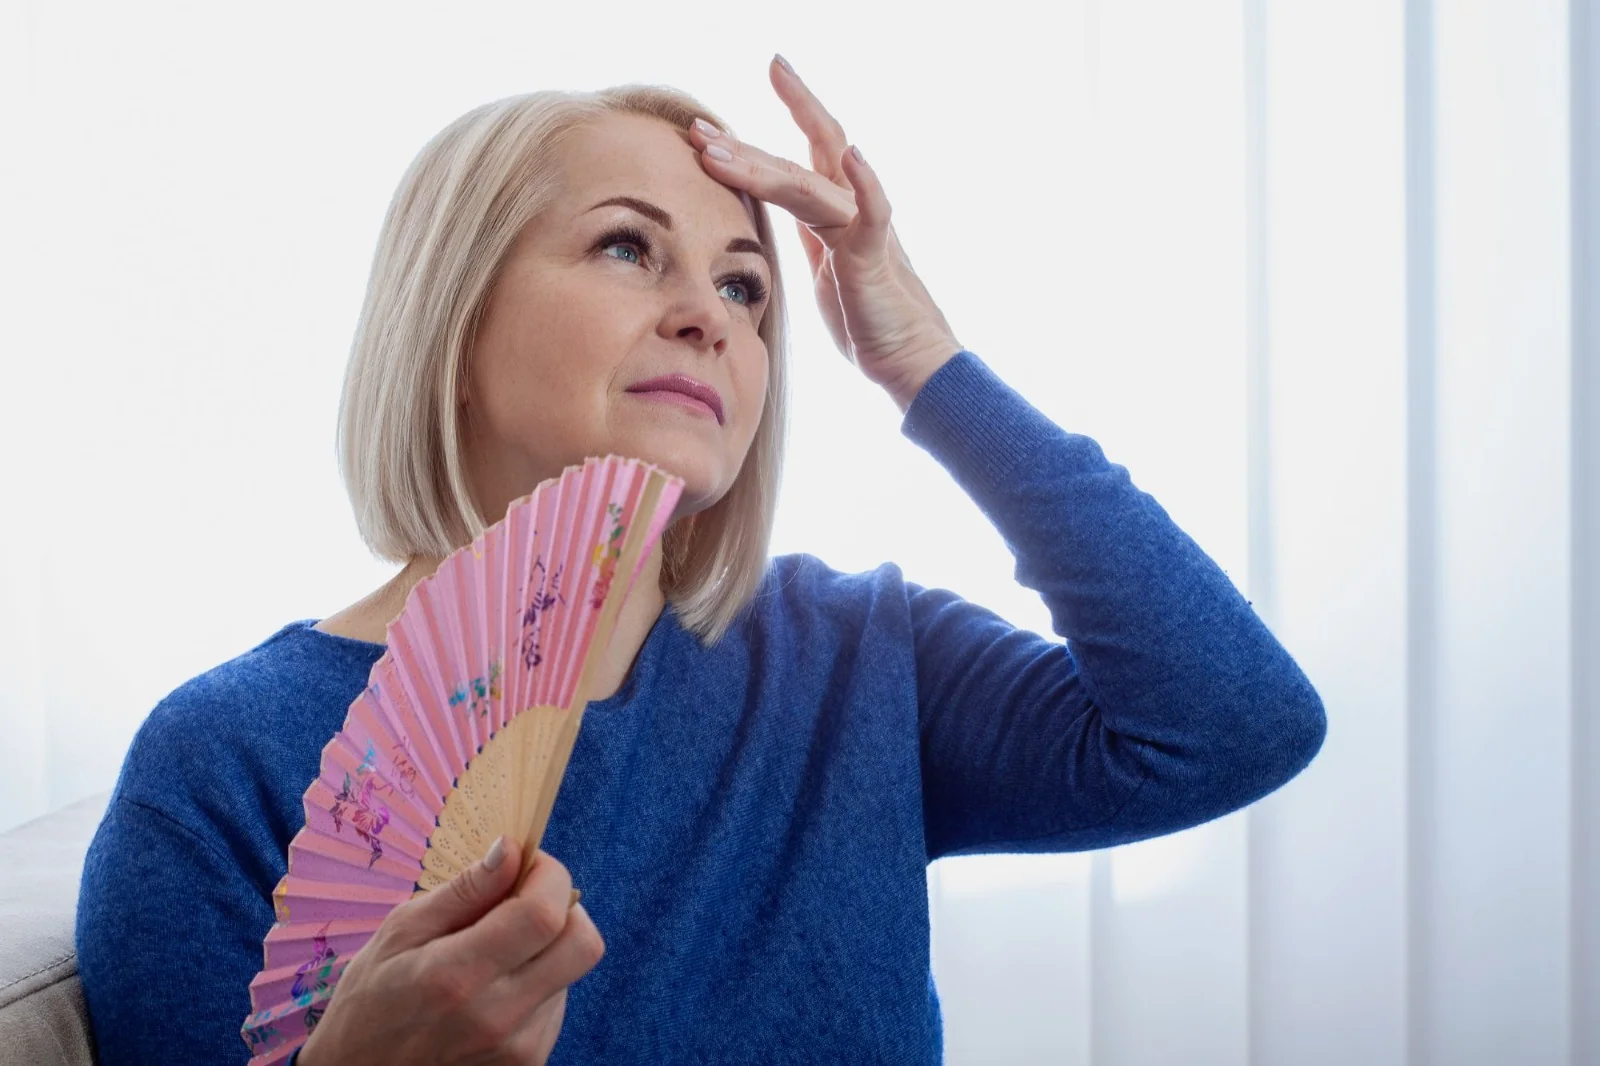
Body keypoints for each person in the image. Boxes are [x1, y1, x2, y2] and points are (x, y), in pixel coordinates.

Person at [74, 53, 1327, 1066]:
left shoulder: (853, 661)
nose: (708, 315)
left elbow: (1234, 723)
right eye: (627, 247)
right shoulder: (222, 763)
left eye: (746, 290)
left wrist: (922, 361)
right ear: (452, 318)